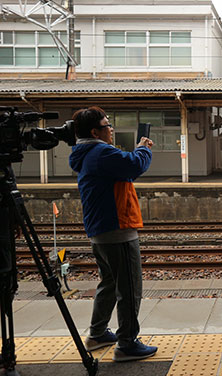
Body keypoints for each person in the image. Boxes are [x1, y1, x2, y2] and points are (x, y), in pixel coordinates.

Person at [69, 106, 157, 362]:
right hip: (117, 229)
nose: (112, 129)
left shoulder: (87, 153)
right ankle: (127, 344)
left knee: (108, 282)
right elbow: (133, 166)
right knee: (129, 288)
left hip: (101, 229)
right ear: (95, 131)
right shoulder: (100, 152)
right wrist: (143, 148)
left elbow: (122, 170)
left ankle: (97, 334)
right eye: (107, 125)